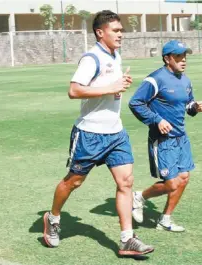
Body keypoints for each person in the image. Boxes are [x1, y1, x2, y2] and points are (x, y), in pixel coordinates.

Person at [43, 10, 154, 256]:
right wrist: (110, 87)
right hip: (90, 133)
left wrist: (117, 87)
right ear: (100, 32)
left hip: (116, 132)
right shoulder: (91, 58)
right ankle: (53, 218)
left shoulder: (115, 55)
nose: (121, 34)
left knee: (126, 182)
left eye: (121, 30)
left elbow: (105, 89)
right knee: (74, 182)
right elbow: (74, 90)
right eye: (115, 30)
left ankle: (127, 239)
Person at [129, 40, 202, 232]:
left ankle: (165, 219)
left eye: (185, 56)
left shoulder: (185, 80)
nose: (183, 60)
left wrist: (194, 107)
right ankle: (139, 197)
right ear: (167, 58)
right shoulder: (155, 79)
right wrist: (157, 120)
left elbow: (187, 105)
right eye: (179, 56)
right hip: (162, 140)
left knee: (184, 178)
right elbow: (136, 103)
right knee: (171, 183)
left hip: (181, 138)